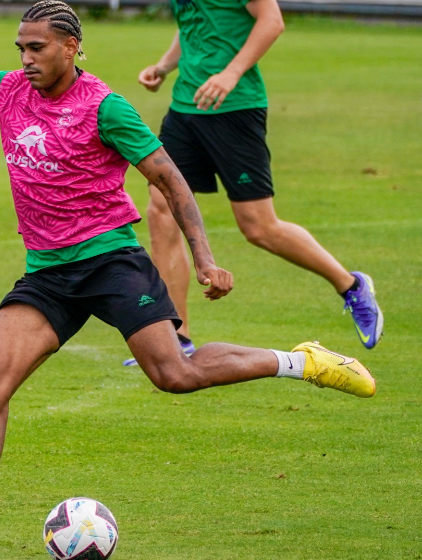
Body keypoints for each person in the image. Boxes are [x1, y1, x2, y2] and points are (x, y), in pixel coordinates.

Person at [0, 3, 374, 558]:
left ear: (71, 47)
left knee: (175, 374)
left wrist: (204, 258)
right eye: (20, 48)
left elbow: (171, 180)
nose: (25, 59)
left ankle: (301, 361)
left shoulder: (106, 107)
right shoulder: (8, 91)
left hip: (113, 262)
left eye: (36, 48)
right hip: (49, 272)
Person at [130, 0, 382, 367]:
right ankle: (177, 337)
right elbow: (198, 24)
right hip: (186, 107)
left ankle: (351, 286)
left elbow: (272, 20)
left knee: (259, 227)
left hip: (236, 109)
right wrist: (165, 66)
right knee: (161, 209)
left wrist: (230, 73)